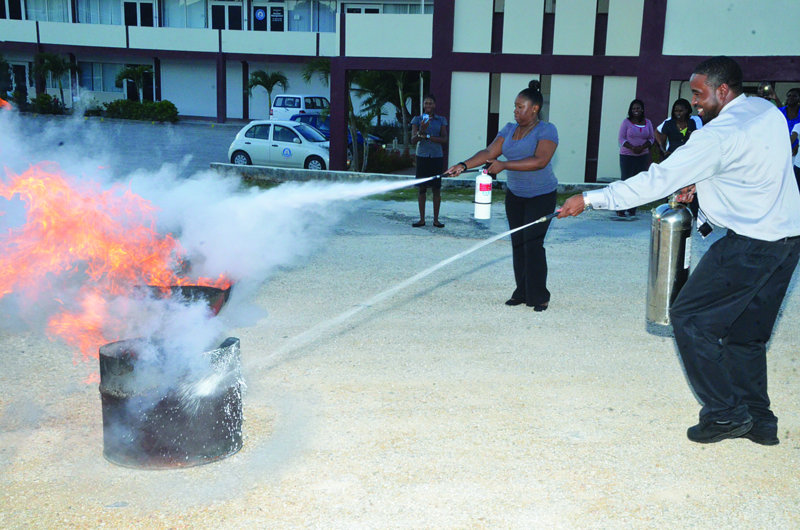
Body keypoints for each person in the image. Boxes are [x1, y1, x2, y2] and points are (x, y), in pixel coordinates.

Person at [559, 56, 800, 446]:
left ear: (723, 90)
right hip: (788, 242)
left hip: (750, 244)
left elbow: (655, 181)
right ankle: (760, 421)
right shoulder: (766, 111)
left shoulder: (715, 136)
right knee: (746, 337)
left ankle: (725, 414)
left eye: (699, 94)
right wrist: (703, 183)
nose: (695, 102)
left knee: (690, 318)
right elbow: (756, 166)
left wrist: (589, 199)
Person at [446, 80, 558, 311]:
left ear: (534, 109)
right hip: (515, 195)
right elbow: (489, 152)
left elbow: (540, 161)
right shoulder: (508, 129)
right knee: (518, 243)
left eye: (520, 107)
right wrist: (463, 165)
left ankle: (539, 296)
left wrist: (505, 165)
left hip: (541, 195)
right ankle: (522, 291)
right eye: (515, 106)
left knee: (533, 244)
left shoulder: (547, 130)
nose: (515, 111)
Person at [410, 95, 448, 228]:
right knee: (422, 189)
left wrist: (428, 136)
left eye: (430, 103)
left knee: (436, 189)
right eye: (426, 103)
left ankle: (436, 220)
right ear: (423, 105)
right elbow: (413, 140)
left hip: (436, 157)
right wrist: (422, 130)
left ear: (434, 105)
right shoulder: (417, 119)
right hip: (422, 156)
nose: (428, 106)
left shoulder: (441, 120)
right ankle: (422, 219)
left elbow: (444, 139)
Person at [617, 99, 654, 217]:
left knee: (638, 182)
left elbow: (651, 138)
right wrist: (632, 148)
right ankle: (621, 207)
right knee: (626, 181)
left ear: (642, 109)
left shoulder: (648, 122)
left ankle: (632, 208)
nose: (636, 110)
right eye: (633, 108)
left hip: (642, 156)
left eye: (638, 108)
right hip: (627, 156)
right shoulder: (626, 122)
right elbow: (621, 138)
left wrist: (642, 147)